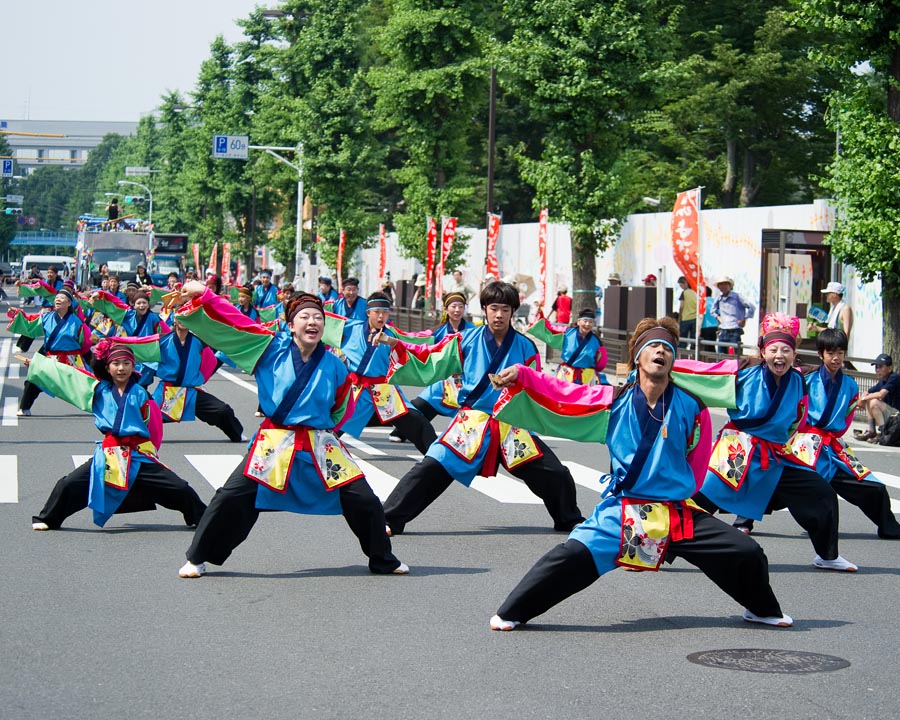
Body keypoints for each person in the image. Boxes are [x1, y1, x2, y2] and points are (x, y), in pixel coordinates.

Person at [489, 316, 792, 631]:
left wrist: (677, 489)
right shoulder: (615, 401)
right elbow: (566, 394)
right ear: (638, 356)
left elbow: (698, 461)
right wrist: (523, 376)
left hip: (675, 514)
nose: (661, 351)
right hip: (624, 511)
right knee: (570, 557)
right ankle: (512, 612)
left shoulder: (692, 406)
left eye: (667, 348)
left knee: (747, 551)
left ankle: (761, 609)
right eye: (653, 346)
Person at [172, 284, 408, 578]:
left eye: (318, 318)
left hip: (319, 440)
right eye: (305, 317)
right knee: (232, 496)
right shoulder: (269, 348)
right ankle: (197, 557)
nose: (313, 322)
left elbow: (340, 406)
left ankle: (382, 558)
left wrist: (324, 426)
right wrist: (205, 296)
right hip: (276, 438)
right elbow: (235, 322)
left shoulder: (334, 365)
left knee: (362, 497)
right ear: (291, 325)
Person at [381, 282, 585, 535]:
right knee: (433, 466)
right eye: (494, 308)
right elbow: (429, 356)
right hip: (472, 422)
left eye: (506, 309)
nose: (499, 315)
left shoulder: (526, 347)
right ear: (485, 310)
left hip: (511, 422)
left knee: (555, 472)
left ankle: (568, 518)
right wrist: (397, 345)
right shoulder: (465, 340)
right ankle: (389, 518)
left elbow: (538, 386)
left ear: (513, 312)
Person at [694, 313, 858, 572]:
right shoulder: (744, 373)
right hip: (739, 446)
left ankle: (827, 555)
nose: (779, 355)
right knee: (703, 497)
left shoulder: (797, 381)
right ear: (763, 352)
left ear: (794, 354)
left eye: (786, 350)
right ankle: (659, 546)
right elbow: (703, 377)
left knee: (821, 493)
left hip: (775, 451)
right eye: (773, 350)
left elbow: (798, 418)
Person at [30, 339, 207, 531]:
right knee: (69, 484)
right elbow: (69, 378)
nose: (121, 368)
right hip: (109, 453)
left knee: (179, 488)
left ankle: (203, 518)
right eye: (116, 364)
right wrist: (40, 368)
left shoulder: (141, 394)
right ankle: (49, 518)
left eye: (126, 363)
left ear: (133, 366)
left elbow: (155, 428)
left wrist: (150, 451)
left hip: (137, 454)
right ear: (107, 367)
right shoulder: (98, 391)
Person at [741, 329, 900, 539]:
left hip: (832, 447)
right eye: (831, 353)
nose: (836, 358)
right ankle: (743, 519)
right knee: (778, 483)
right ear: (820, 354)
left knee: (872, 486)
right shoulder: (804, 379)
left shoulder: (850, 385)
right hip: (803, 444)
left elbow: (845, 420)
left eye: (840, 353)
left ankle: (889, 526)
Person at [336, 292, 437, 455]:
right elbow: (324, 321)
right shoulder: (351, 328)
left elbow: (417, 343)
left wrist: (391, 342)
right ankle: (313, 458)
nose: (381, 316)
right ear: (368, 312)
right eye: (377, 312)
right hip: (356, 390)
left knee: (416, 421)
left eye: (385, 312)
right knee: (332, 426)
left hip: (383, 390)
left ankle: (437, 460)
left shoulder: (392, 335)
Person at [388, 290, 473, 443]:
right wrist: (395, 337)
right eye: (453, 306)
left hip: (465, 381)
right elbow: (416, 341)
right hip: (443, 380)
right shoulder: (437, 331)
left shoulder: (473, 331)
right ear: (446, 309)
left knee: (470, 413)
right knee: (421, 405)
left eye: (461, 306)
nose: (457, 310)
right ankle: (401, 431)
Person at [142, 316, 244, 442]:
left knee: (222, 410)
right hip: (167, 391)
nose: (183, 321)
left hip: (190, 393)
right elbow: (140, 348)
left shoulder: (199, 341)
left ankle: (236, 434)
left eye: (187, 318)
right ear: (174, 319)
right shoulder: (163, 340)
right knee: (146, 417)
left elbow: (220, 337)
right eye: (180, 318)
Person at [10, 283, 91, 417]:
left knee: (86, 385)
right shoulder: (46, 318)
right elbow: (30, 324)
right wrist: (17, 315)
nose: (58, 299)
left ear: (70, 303)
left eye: (62, 298)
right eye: (56, 297)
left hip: (72, 359)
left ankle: (100, 409)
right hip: (52, 358)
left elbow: (85, 343)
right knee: (34, 379)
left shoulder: (77, 322)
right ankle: (24, 407)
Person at [856, 353, 900, 442]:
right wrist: (862, 399)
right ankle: (872, 431)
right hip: (891, 417)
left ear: (890, 368)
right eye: (876, 367)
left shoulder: (894, 378)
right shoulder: (882, 382)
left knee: (874, 402)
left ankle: (883, 434)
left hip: (897, 416)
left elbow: (880, 394)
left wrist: (865, 398)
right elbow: (867, 392)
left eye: (880, 367)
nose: (877, 370)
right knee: (870, 400)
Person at [712, 276, 754, 354]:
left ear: (729, 285)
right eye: (721, 285)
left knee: (735, 355)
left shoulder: (737, 296)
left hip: (734, 329)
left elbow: (751, 307)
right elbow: (713, 311)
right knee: (721, 355)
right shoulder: (719, 298)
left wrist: (744, 319)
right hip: (723, 329)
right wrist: (718, 317)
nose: (723, 287)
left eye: (725, 284)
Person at [677, 276, 698, 348]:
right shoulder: (695, 292)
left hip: (686, 318)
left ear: (685, 283)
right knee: (693, 340)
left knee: (683, 340)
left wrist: (679, 317)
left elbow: (681, 306)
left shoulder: (684, 293)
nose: (681, 287)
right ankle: (693, 356)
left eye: (681, 285)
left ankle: (682, 356)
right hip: (695, 318)